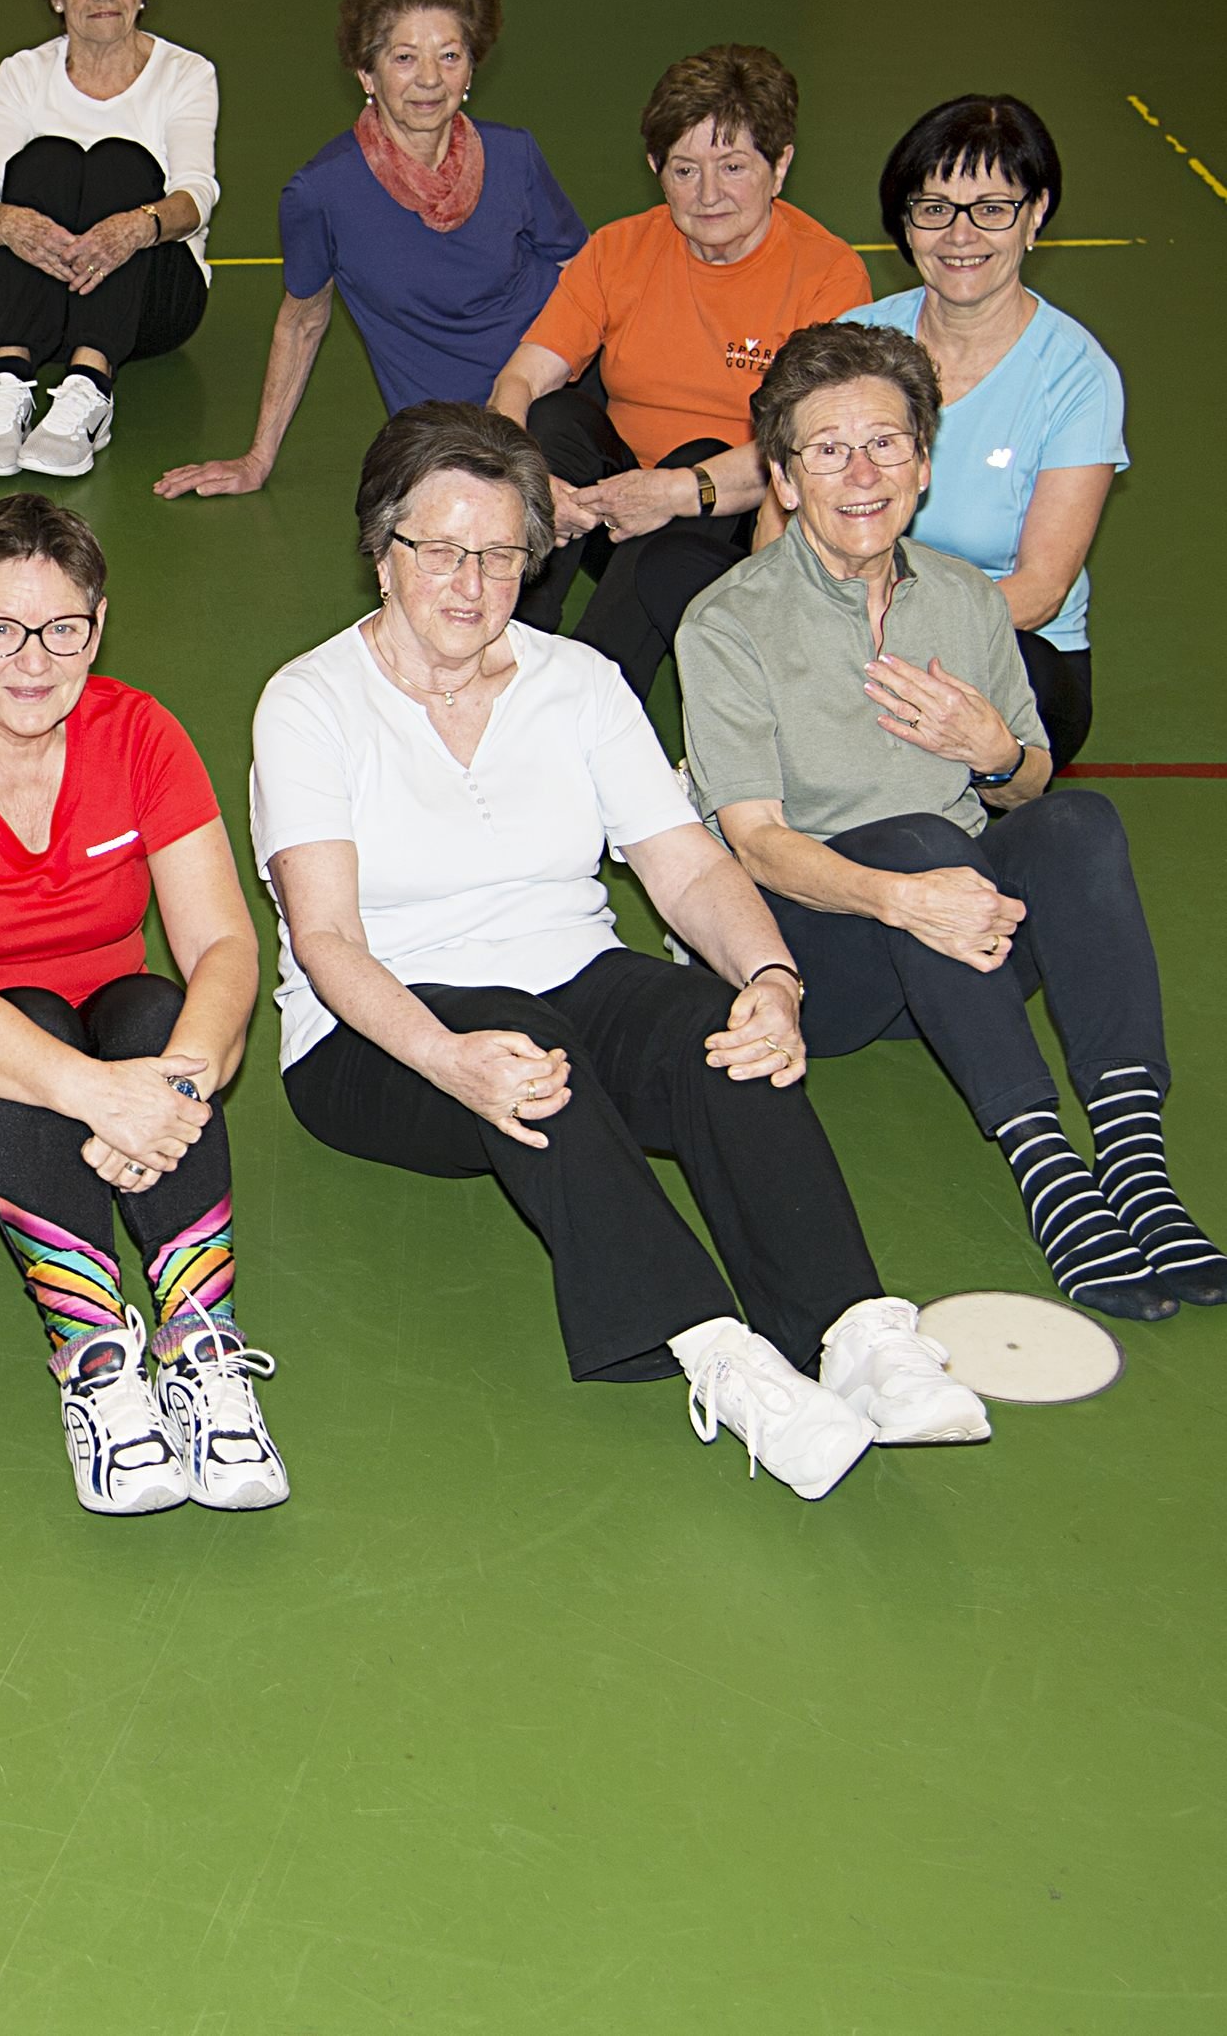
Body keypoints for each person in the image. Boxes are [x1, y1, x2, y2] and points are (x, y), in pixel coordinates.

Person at [253, 403, 988, 1502]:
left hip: (567, 977)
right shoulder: (309, 702)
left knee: (714, 1028)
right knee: (522, 1034)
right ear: (380, 550)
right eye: (440, 551)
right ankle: (719, 1354)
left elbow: (686, 868)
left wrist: (770, 979)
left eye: (502, 555)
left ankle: (851, 1329)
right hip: (376, 1036)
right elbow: (324, 940)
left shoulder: (577, 685)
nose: (470, 583)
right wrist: (452, 1060)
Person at [679, 319, 1215, 1323]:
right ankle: (1048, 1171)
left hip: (961, 933)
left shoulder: (967, 601)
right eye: (825, 450)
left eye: (884, 443)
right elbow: (751, 842)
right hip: (822, 950)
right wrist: (903, 894)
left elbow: (1027, 789)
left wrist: (995, 754)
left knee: (1077, 822)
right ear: (784, 479)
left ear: (921, 465)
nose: (860, 473)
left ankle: (1136, 1166)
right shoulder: (726, 622)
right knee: (922, 845)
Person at [0, 495, 285, 1516]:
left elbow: (223, 943)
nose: (31, 660)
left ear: (96, 628)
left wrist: (172, 1082)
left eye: (61, 629)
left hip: (108, 1064)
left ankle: (201, 1350)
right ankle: (97, 1371)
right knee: (28, 1009)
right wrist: (100, 1098)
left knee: (153, 1002)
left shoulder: (140, 731)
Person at [486, 45, 871, 698]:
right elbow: (517, 382)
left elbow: (818, 454)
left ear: (779, 167)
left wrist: (677, 490)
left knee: (701, 455)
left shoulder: (828, 276)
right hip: (614, 510)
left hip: (733, 525)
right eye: (684, 170)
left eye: (732, 167)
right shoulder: (618, 249)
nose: (708, 195)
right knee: (550, 422)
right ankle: (504, 644)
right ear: (654, 169)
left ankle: (591, 700)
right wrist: (528, 482)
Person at [158, 0, 584, 503]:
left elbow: (583, 276)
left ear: (472, 67)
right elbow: (303, 319)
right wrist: (257, 459)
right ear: (367, 72)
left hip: (552, 395)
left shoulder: (514, 155)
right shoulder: (322, 192)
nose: (430, 79)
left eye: (450, 55)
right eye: (405, 58)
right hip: (445, 434)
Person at [830, 95, 1121, 769]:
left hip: (1005, 647)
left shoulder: (1076, 374)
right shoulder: (854, 342)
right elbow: (779, 517)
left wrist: (884, 638)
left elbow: (1041, 588)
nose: (959, 236)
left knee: (943, 702)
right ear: (904, 223)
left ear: (1034, 213)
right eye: (934, 209)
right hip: (848, 624)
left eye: (990, 209)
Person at [0, 0, 217, 481]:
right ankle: (7, 385)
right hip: (40, 294)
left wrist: (136, 227)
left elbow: (196, 196)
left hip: (150, 298)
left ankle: (89, 391)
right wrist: (4, 223)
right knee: (48, 160)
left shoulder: (186, 74)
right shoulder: (22, 73)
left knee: (120, 162)